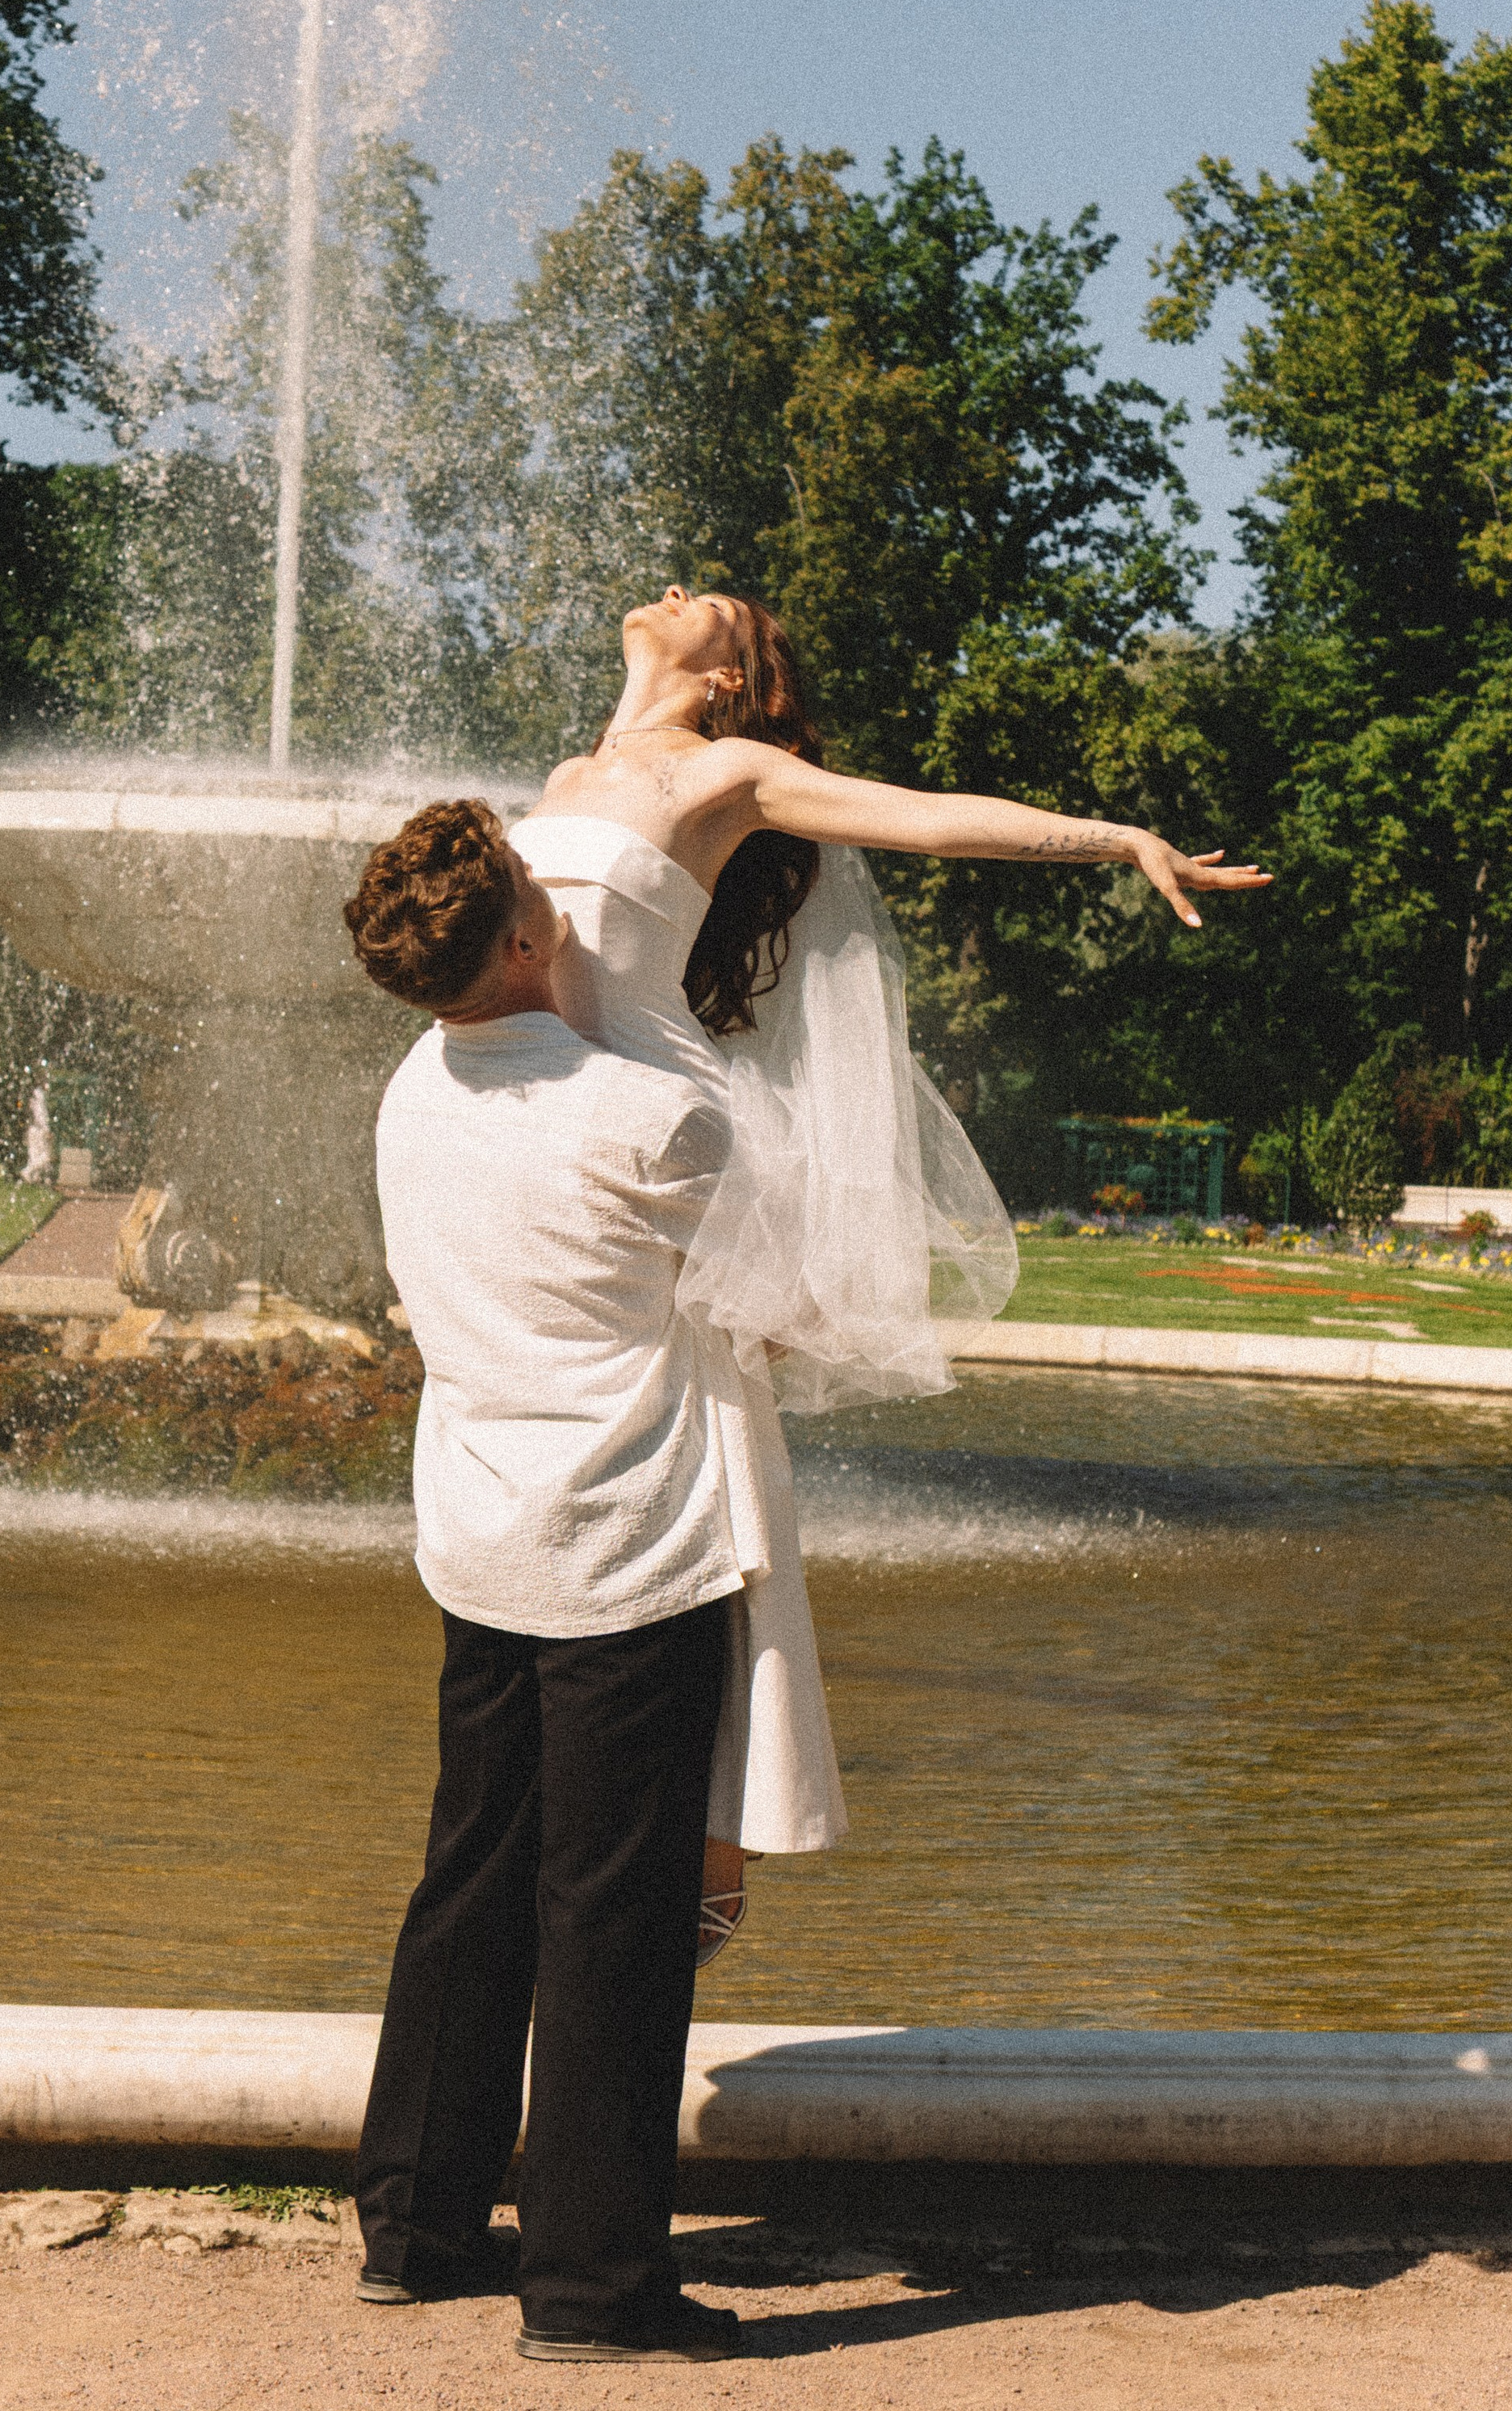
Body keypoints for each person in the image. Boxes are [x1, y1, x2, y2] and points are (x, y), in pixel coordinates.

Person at [512, 587, 1270, 1944]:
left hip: (662, 1161)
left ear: (732, 675)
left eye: (711, 603)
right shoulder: (567, 779)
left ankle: (703, 1853)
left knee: (713, 1468)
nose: (677, 590)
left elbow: (924, 815)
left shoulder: (730, 772)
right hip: (563, 1177)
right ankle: (601, 1837)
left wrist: (1119, 840)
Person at [343, 797, 742, 2362]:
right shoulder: (644, 1114)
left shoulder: (408, 1092)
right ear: (518, 934)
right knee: (612, 1911)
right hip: (624, 1543)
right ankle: (590, 2287)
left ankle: (417, 2223)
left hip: (477, 1526)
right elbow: (764, 1298)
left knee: (471, 1875)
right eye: (542, 896)